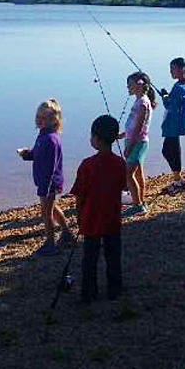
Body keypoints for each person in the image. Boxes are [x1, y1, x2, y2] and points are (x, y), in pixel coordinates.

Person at [71, 114, 127, 303]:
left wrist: (79, 218)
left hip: (91, 220)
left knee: (90, 259)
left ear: (96, 138)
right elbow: (122, 186)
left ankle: (89, 293)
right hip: (112, 219)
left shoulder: (87, 165)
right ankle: (115, 290)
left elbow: (79, 196)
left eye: (91, 136)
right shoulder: (120, 163)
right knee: (113, 257)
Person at [17, 99, 73, 256]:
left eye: (44, 118)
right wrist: (27, 154)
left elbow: (51, 165)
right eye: (38, 117)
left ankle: (50, 242)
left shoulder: (51, 139)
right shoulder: (42, 135)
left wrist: (46, 188)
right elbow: (37, 154)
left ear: (54, 120)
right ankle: (67, 233)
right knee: (52, 208)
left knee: (46, 212)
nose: (40, 120)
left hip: (49, 183)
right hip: (45, 182)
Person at [118, 72, 155, 217]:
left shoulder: (143, 103)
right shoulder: (140, 100)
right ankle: (141, 201)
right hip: (136, 141)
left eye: (130, 84)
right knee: (138, 173)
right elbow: (133, 125)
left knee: (128, 174)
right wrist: (122, 135)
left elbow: (139, 127)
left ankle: (137, 205)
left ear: (139, 85)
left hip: (137, 143)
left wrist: (129, 146)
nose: (128, 87)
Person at [159, 57, 185, 195]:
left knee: (167, 151)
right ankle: (177, 180)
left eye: (173, 69)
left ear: (182, 69)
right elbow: (176, 102)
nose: (171, 72)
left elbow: (169, 105)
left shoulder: (178, 88)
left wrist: (164, 96)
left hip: (173, 125)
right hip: (180, 124)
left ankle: (178, 180)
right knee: (173, 149)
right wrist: (167, 96)